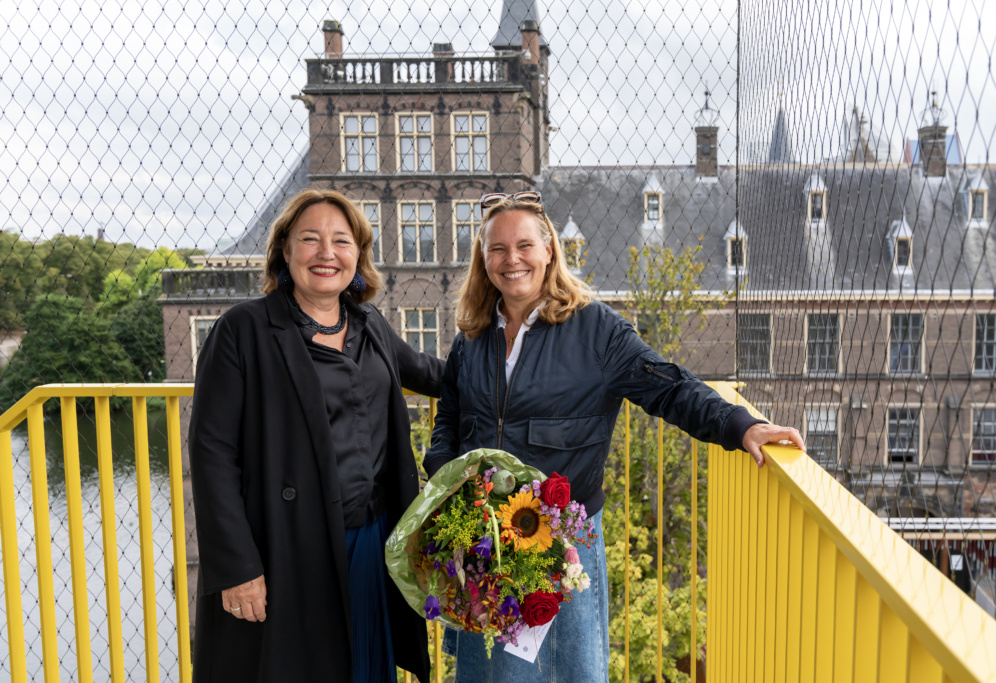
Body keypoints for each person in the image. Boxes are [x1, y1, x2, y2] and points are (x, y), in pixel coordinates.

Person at [423, 192, 804, 682]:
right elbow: (450, 416)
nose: (510, 259)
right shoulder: (472, 337)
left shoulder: (596, 330)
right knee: (491, 673)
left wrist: (740, 425)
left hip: (564, 541)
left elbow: (669, 387)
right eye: (496, 249)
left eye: (523, 246)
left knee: (569, 673)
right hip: (487, 542)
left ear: (549, 252)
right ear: (483, 260)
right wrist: (442, 473)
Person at [189, 188, 443, 682]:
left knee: (365, 668)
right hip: (287, 549)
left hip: (371, 540)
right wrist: (237, 567)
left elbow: (436, 375)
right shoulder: (242, 331)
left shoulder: (369, 324)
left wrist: (521, 360)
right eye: (311, 239)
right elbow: (212, 454)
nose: (327, 253)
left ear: (358, 255)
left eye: (342, 241)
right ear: (285, 251)